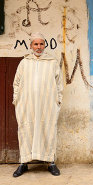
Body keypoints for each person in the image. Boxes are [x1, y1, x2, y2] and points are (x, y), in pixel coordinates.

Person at [12, 32, 63, 177]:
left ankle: (51, 162)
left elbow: (59, 84)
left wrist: (58, 100)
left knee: (48, 130)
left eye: (41, 44)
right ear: (31, 45)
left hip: (47, 106)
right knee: (26, 131)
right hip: (27, 105)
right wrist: (17, 99)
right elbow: (17, 83)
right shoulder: (24, 62)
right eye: (36, 44)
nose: (39, 47)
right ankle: (23, 163)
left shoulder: (52, 62)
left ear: (44, 45)